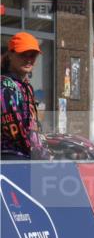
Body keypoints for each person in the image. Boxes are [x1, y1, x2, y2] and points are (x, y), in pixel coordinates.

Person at [1, 32, 51, 160]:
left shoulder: (26, 86)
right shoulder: (5, 86)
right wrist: (39, 153)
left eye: (33, 55)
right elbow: (15, 130)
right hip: (9, 156)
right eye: (23, 54)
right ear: (10, 55)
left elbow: (32, 124)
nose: (29, 59)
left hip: (26, 156)